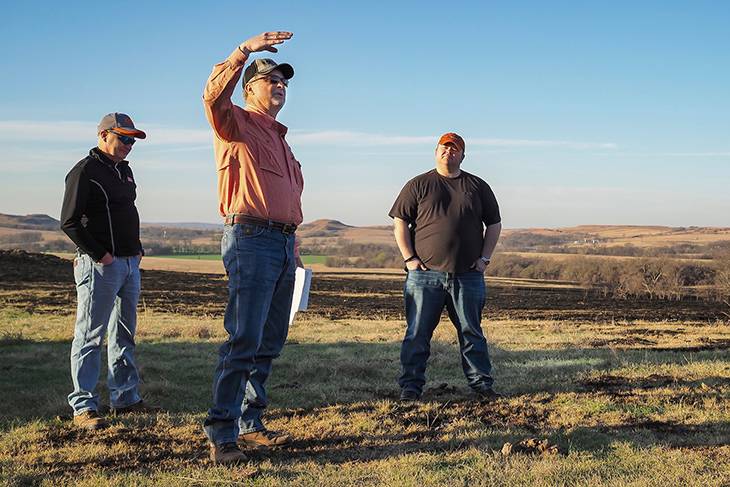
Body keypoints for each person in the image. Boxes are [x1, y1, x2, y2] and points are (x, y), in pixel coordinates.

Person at [201, 31, 304, 465]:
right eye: (270, 79)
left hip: (282, 245)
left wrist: (294, 246)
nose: (279, 85)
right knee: (243, 337)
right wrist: (243, 51)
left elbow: (289, 200)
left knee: (269, 339)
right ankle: (223, 431)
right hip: (250, 240)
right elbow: (211, 96)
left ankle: (251, 422)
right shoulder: (235, 122)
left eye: (283, 81)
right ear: (249, 88)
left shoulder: (282, 139)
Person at [388, 132, 502, 402]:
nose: (448, 152)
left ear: (463, 155)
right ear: (435, 151)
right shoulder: (418, 184)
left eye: (454, 149)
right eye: (443, 147)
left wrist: (484, 259)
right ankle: (411, 388)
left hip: (468, 275)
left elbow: (494, 224)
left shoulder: (477, 186)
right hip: (425, 275)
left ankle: (482, 385)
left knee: (471, 333)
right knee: (417, 334)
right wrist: (409, 259)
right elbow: (400, 222)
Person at [60, 112, 149, 430]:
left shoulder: (125, 171)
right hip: (100, 266)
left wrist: (136, 249)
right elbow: (69, 222)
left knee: (124, 333)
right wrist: (101, 255)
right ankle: (83, 406)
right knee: (89, 335)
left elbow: (127, 212)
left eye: (132, 140)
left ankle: (124, 397)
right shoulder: (84, 171)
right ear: (103, 135)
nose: (128, 145)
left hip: (129, 264)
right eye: (123, 138)